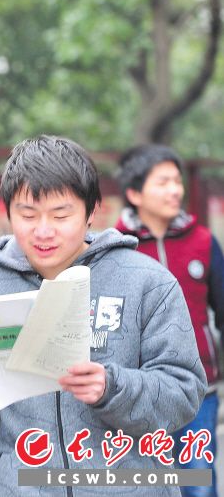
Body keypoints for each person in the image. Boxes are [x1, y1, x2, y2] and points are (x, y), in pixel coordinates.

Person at [0, 135, 206, 496]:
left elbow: (183, 393)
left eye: (61, 215)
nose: (43, 231)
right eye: (27, 215)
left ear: (91, 212)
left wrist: (112, 387)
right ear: (9, 212)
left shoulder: (147, 283)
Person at [115, 144, 224, 497]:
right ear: (134, 193)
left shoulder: (204, 242)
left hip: (200, 391)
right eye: (163, 182)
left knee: (197, 482)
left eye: (177, 181)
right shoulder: (116, 247)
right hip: (137, 393)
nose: (175, 190)